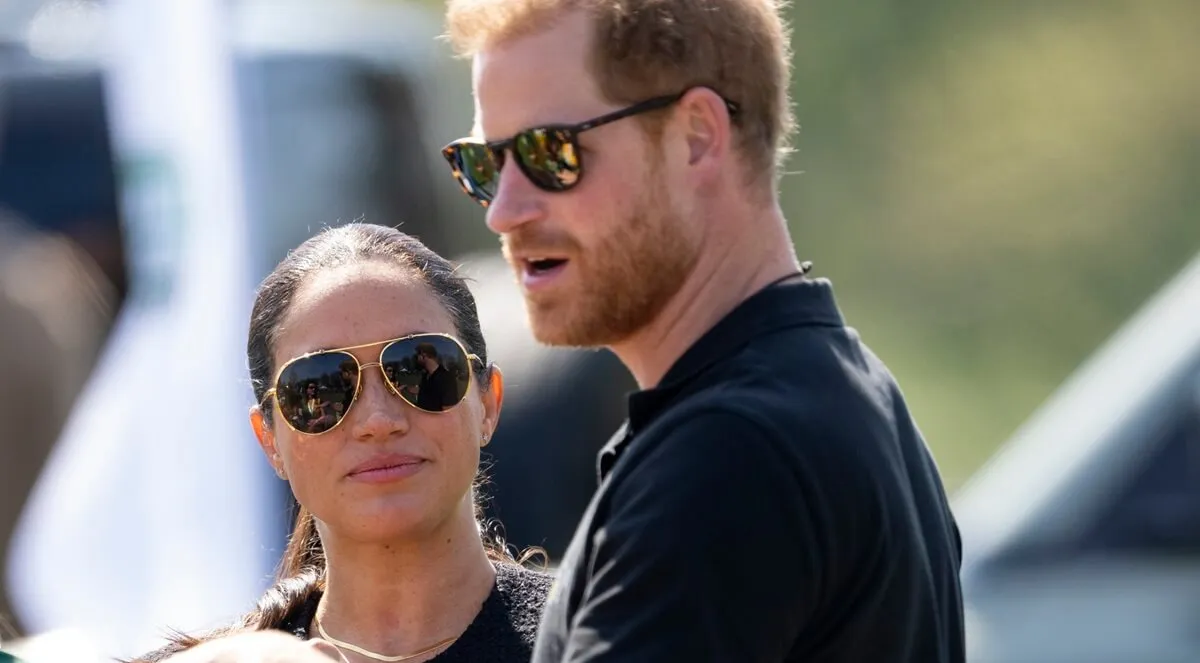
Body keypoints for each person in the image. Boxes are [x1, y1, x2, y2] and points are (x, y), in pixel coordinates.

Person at [439, 1, 966, 662]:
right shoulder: (843, 392)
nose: (505, 211)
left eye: (550, 151)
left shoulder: (730, 455)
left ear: (696, 135)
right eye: (485, 164)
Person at [134, 223, 552, 663]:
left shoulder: (607, 637)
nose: (378, 420)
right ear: (269, 439)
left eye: (420, 370)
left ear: (488, 401)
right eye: (320, 388)